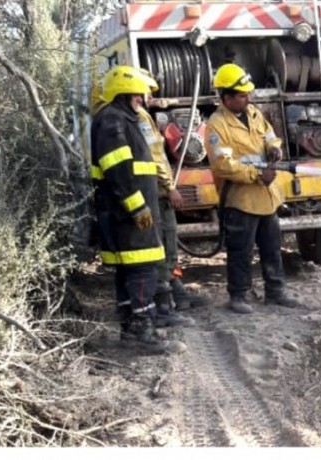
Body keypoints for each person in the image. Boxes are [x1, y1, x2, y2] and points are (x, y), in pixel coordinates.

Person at [91, 65, 185, 353]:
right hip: (127, 215)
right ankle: (142, 331)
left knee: (128, 269)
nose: (143, 99)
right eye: (138, 94)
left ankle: (131, 327)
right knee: (142, 269)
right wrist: (138, 208)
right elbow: (118, 170)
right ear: (123, 93)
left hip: (126, 212)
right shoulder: (113, 121)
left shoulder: (120, 118)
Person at [205, 63, 299, 314]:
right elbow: (222, 165)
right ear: (226, 98)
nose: (248, 98)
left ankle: (275, 292)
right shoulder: (217, 125)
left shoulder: (255, 113)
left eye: (248, 93)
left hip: (267, 196)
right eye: (242, 95)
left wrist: (274, 148)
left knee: (271, 247)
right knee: (240, 250)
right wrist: (257, 175)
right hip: (240, 198)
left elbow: (270, 137)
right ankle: (239, 295)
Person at [133, 69, 207, 315]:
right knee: (164, 239)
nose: (148, 95)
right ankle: (165, 302)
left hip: (156, 189)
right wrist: (170, 186)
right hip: (158, 190)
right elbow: (154, 157)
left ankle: (175, 290)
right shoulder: (141, 118)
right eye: (146, 90)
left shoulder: (142, 115)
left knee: (168, 240)